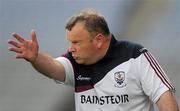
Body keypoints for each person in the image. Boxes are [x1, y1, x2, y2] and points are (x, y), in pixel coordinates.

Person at [8, 9, 179, 111]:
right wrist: (35, 58)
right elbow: (53, 67)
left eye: (76, 42)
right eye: (70, 42)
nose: (70, 48)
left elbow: (165, 99)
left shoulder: (136, 55)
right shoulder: (75, 61)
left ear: (98, 40)